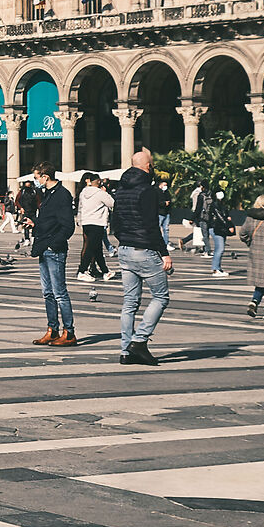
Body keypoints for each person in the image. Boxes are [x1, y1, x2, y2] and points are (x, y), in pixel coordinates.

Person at [110, 147, 171, 366]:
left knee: (129, 303)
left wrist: (123, 239)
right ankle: (139, 340)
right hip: (144, 250)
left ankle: (126, 351)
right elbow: (152, 225)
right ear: (147, 167)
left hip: (125, 249)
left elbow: (115, 222)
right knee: (161, 296)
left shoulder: (121, 189)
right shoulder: (148, 190)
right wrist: (164, 253)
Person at [28, 162, 79, 347]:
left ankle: (69, 332)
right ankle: (52, 329)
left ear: (45, 177)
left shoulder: (62, 195)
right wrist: (35, 223)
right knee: (47, 293)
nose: (35, 181)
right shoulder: (48, 194)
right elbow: (50, 221)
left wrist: (52, 244)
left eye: (36, 177)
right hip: (44, 247)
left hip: (54, 250)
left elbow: (67, 226)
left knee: (59, 293)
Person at [75, 172, 113, 281]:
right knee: (91, 248)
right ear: (99, 182)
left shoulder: (83, 192)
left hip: (86, 222)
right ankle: (82, 271)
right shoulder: (100, 193)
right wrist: (106, 193)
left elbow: (80, 208)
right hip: (97, 222)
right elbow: (112, 203)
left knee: (96, 248)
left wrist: (80, 220)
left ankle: (106, 271)